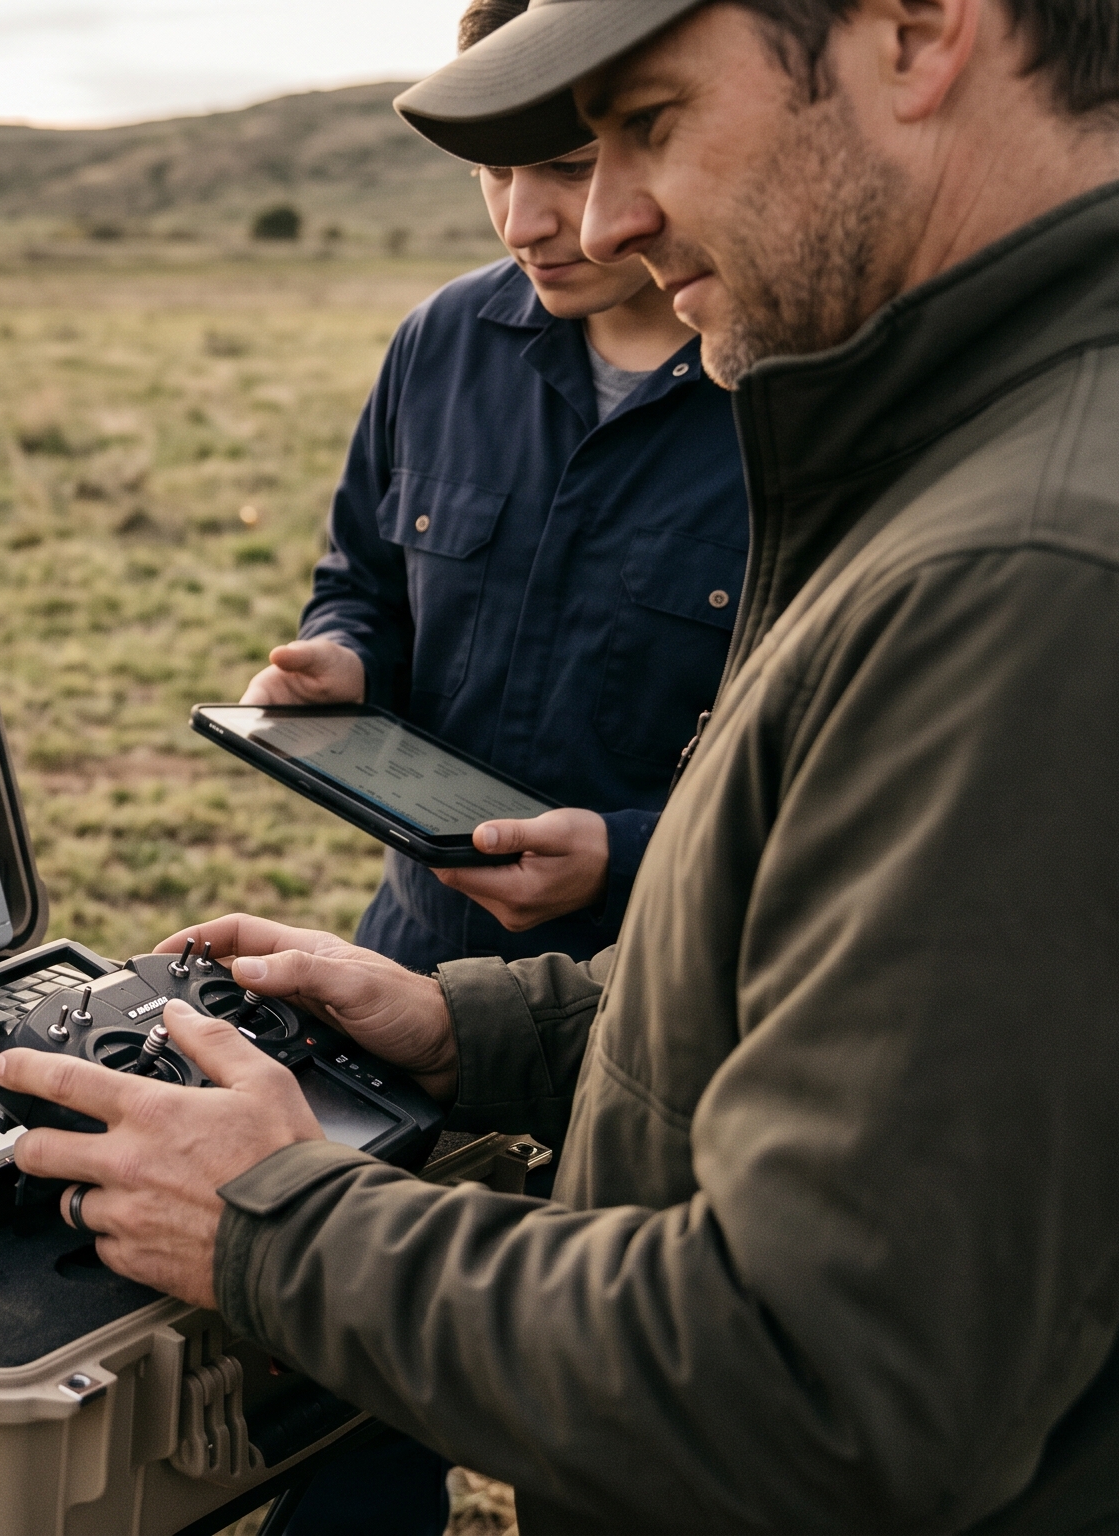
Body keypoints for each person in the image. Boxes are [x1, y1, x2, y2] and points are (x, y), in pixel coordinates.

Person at [0, 0, 1119, 1529]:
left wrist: (271, 1222)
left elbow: (817, 1387)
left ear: (918, 28)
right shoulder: (962, 461)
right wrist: (463, 1025)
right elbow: (810, 997)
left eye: (651, 121)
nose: (599, 220)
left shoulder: (1033, 575)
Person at [243, 0, 744, 974]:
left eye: (569, 165)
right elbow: (360, 582)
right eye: (493, 170)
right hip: (407, 956)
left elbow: (830, 774)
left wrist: (627, 859)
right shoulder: (439, 340)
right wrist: (345, 661)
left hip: (656, 991)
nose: (524, 222)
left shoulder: (800, 395)